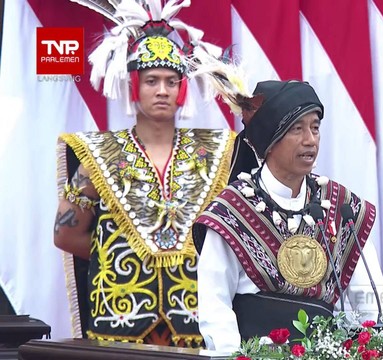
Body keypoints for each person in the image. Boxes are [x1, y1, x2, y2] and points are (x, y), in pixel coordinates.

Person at [54, 0, 247, 346]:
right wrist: (119, 253)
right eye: (152, 80)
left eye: (172, 81)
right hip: (120, 321)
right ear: (133, 86)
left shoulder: (218, 152)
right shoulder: (98, 155)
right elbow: (65, 234)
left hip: (196, 321)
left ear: (182, 89)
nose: (162, 90)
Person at [193, 80, 383, 352]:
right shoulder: (233, 210)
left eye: (315, 127)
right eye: (297, 129)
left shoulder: (340, 207)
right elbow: (214, 307)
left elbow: (372, 303)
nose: (310, 140)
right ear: (270, 141)